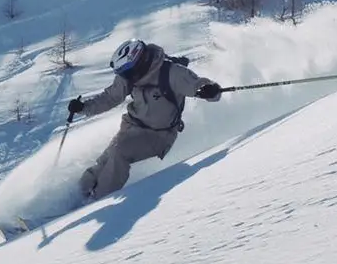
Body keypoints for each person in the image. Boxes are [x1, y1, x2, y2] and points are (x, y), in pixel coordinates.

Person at [67, 39, 221, 201]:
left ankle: (98, 200)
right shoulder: (129, 75)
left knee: (120, 153)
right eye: (123, 74)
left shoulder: (172, 73)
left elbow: (198, 85)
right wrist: (83, 107)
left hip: (159, 135)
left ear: (141, 62)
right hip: (131, 127)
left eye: (127, 72)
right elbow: (111, 97)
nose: (126, 77)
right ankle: (79, 192)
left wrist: (209, 90)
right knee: (107, 158)